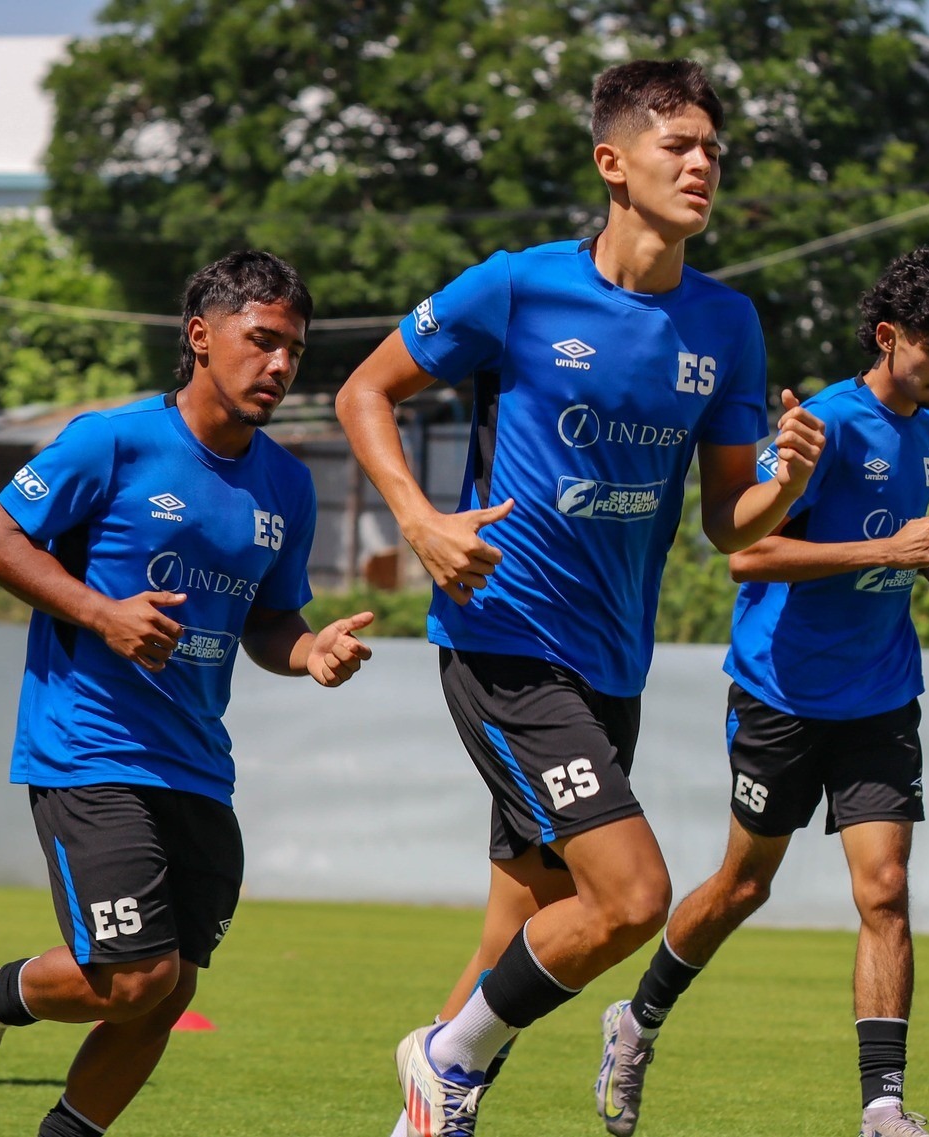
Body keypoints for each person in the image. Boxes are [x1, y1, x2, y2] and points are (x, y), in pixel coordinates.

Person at [334, 58, 825, 1137]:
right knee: (631, 898)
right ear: (612, 164)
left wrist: (782, 482)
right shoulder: (515, 286)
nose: (700, 165)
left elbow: (725, 522)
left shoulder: (725, 324)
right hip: (505, 640)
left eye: (710, 150)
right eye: (675, 146)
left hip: (613, 664)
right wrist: (417, 520)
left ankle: (427, 1112)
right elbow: (362, 389)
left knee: (530, 920)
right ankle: (442, 1057)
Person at [0, 252, 373, 1136]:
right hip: (88, 747)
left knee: (166, 992)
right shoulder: (115, 441)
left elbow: (270, 621)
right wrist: (101, 613)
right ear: (201, 337)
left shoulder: (286, 483)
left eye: (294, 348)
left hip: (198, 767)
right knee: (135, 974)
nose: (281, 366)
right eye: (263, 341)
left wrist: (312, 648)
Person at [593, 247, 929, 1137]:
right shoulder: (826, 424)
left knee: (884, 888)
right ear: (888, 338)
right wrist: (886, 552)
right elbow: (746, 552)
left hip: (882, 693)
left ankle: (883, 1106)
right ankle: (638, 1018)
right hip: (783, 695)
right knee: (742, 887)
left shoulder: (923, 422)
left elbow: (894, 542)